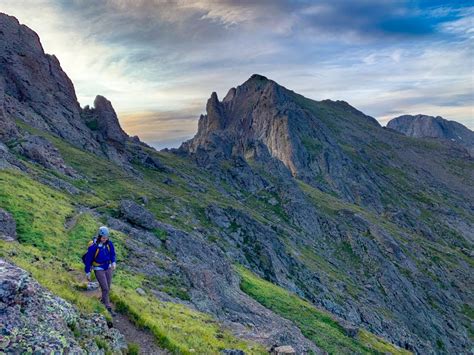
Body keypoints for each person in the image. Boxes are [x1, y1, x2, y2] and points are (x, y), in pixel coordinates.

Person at [84, 226, 116, 314]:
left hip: (108, 267)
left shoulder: (109, 244)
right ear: (99, 236)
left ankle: (103, 300)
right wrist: (88, 271)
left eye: (106, 238)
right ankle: (108, 307)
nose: (104, 239)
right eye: (103, 238)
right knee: (105, 288)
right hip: (98, 268)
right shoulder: (94, 247)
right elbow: (88, 259)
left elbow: (112, 253)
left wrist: (113, 262)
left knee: (108, 287)